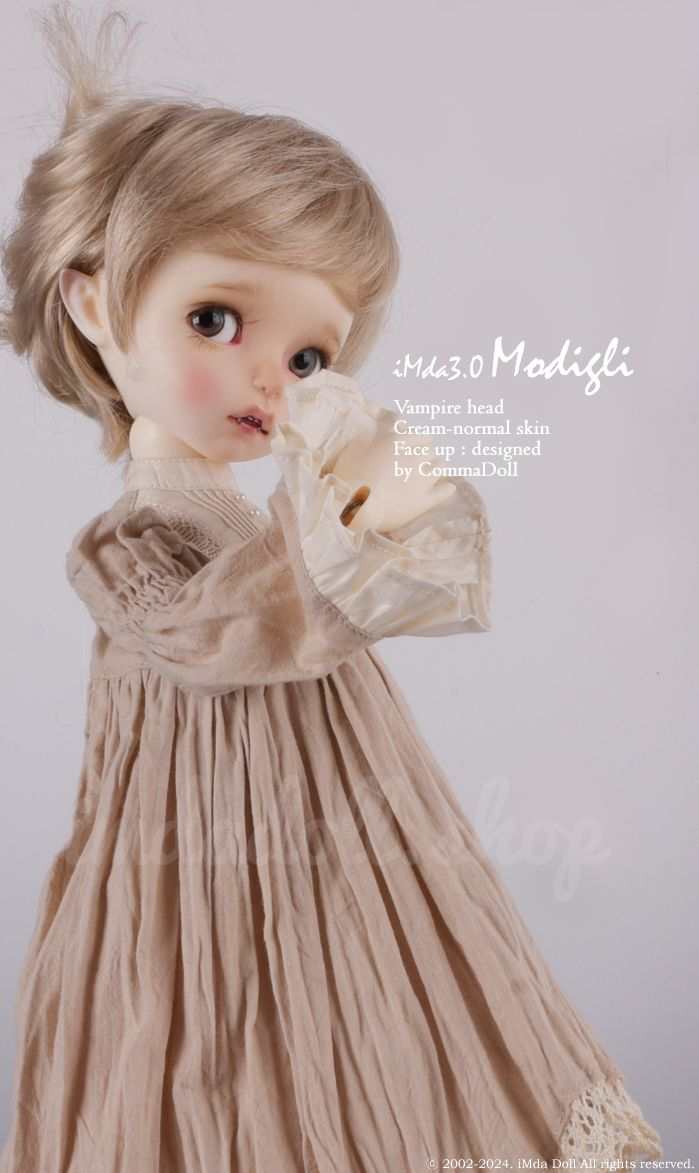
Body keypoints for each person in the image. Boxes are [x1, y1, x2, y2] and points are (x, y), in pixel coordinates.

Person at [0, 5, 662, 1168]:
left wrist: (354, 524)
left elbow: (296, 613)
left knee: (369, 1002)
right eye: (216, 319)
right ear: (94, 305)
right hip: (193, 844)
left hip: (340, 813)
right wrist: (332, 540)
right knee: (211, 1037)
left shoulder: (262, 518)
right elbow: (205, 635)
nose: (273, 377)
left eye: (309, 356)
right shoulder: (132, 538)